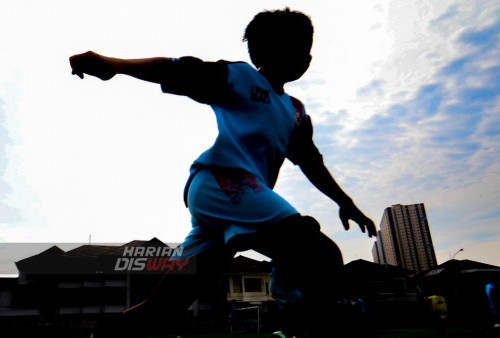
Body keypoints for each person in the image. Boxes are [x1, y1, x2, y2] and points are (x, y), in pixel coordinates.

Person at [70, 8, 376, 337]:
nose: (308, 55)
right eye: (301, 45)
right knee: (321, 254)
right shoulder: (241, 78)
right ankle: (295, 320)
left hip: (224, 204)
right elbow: (177, 69)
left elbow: (311, 163)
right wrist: (115, 65)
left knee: (166, 306)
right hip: (223, 182)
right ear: (271, 48)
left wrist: (346, 202)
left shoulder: (296, 112)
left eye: (309, 47)